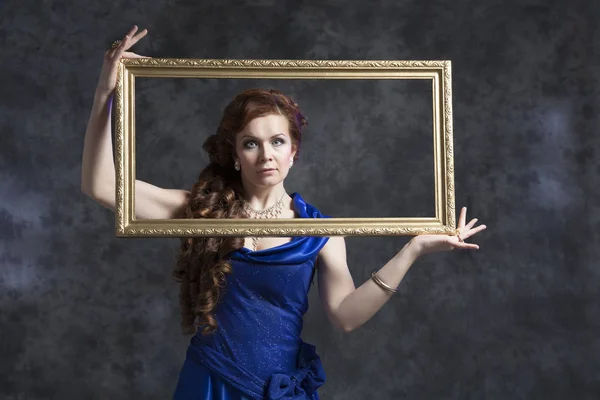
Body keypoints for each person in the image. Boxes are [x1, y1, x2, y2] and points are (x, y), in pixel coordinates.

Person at [81, 26, 487, 400]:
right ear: (236, 156)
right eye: (251, 144)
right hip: (208, 384)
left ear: (294, 151)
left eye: (277, 141)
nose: (266, 155)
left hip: (276, 391)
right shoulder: (199, 209)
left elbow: (345, 316)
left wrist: (412, 250)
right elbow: (100, 185)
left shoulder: (322, 230)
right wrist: (106, 92)